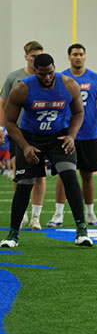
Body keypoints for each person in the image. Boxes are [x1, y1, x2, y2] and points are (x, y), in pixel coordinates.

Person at [0, 53, 92, 247]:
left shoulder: (68, 84)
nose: (47, 78)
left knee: (69, 175)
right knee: (25, 183)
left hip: (58, 136)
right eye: (42, 74)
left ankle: (82, 230)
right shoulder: (22, 88)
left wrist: (71, 136)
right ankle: (13, 235)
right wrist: (24, 147)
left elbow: (79, 112)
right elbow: (9, 121)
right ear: (35, 72)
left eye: (50, 73)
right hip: (30, 137)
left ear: (55, 69)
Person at [47, 43, 97, 227]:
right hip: (66, 133)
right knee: (63, 174)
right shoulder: (62, 78)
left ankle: (90, 213)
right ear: (69, 57)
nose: (78, 57)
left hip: (89, 133)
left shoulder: (94, 78)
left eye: (81, 54)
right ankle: (58, 214)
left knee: (87, 175)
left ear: (85, 56)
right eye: (74, 54)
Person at [0, 41, 47, 230]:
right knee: (18, 173)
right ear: (26, 56)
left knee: (40, 174)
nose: (37, 60)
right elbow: (2, 103)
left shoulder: (46, 77)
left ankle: (36, 217)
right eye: (34, 56)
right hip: (18, 130)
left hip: (40, 131)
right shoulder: (14, 77)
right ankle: (22, 213)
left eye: (40, 55)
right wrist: (1, 128)